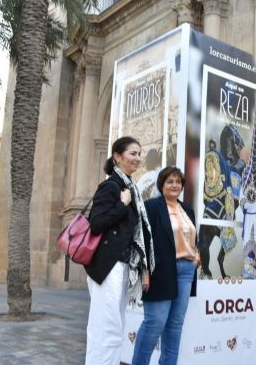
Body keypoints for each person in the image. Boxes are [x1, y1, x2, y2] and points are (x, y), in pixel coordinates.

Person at [84, 136, 155, 365]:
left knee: (115, 329)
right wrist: (122, 205)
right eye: (133, 153)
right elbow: (97, 223)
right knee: (105, 329)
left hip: (124, 265)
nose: (138, 158)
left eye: (139, 154)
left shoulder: (130, 188)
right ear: (117, 156)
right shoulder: (111, 187)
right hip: (108, 266)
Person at [132, 166, 199, 365]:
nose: (174, 185)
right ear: (161, 184)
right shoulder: (152, 207)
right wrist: (144, 270)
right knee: (155, 322)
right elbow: (142, 239)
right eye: (170, 181)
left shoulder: (188, 210)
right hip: (160, 270)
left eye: (178, 182)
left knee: (175, 325)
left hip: (186, 271)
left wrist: (196, 254)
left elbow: (192, 237)